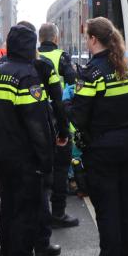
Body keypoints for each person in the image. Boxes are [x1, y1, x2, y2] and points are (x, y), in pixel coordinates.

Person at [68, 17, 128, 256]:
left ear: (93, 39)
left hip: (103, 148)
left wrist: (64, 113)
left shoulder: (91, 74)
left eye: (87, 38)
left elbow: (79, 117)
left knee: (107, 212)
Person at [0, 25, 54, 256]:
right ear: (30, 47)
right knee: (25, 214)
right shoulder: (28, 77)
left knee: (8, 209)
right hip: (24, 158)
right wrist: (46, 160)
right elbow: (37, 125)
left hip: (1, 156)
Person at [37, 23, 79, 229]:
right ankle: (58, 213)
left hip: (37, 117)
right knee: (61, 167)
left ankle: (40, 213)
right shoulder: (62, 57)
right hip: (58, 115)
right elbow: (72, 85)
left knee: (41, 171)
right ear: (56, 38)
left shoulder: (32, 56)